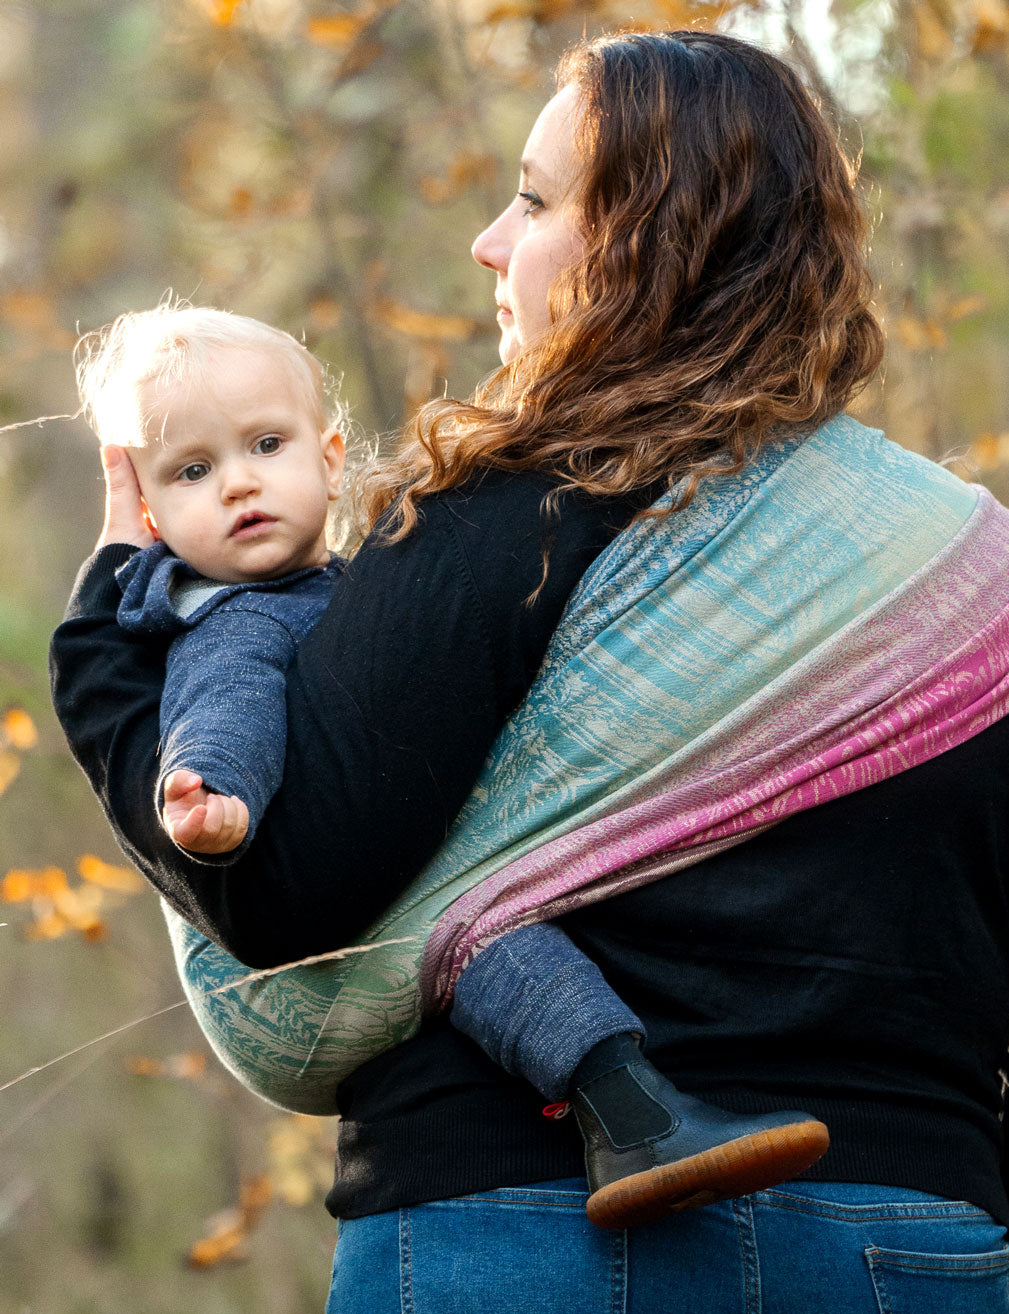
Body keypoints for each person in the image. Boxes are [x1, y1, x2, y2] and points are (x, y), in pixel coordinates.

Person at [50, 28, 1009, 1314]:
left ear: (648, 238)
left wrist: (103, 656)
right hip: (900, 1290)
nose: (486, 241)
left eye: (530, 199)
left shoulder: (497, 521)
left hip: (522, 1274)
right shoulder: (986, 597)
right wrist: (944, 1197)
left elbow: (277, 891)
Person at [75, 300, 830, 1229]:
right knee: (508, 958)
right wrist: (217, 794)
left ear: (331, 454)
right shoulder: (237, 615)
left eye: (264, 445)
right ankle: (631, 1120)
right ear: (148, 515)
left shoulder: (336, 585)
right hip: (401, 914)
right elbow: (223, 705)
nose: (238, 485)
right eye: (194, 471)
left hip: (423, 864)